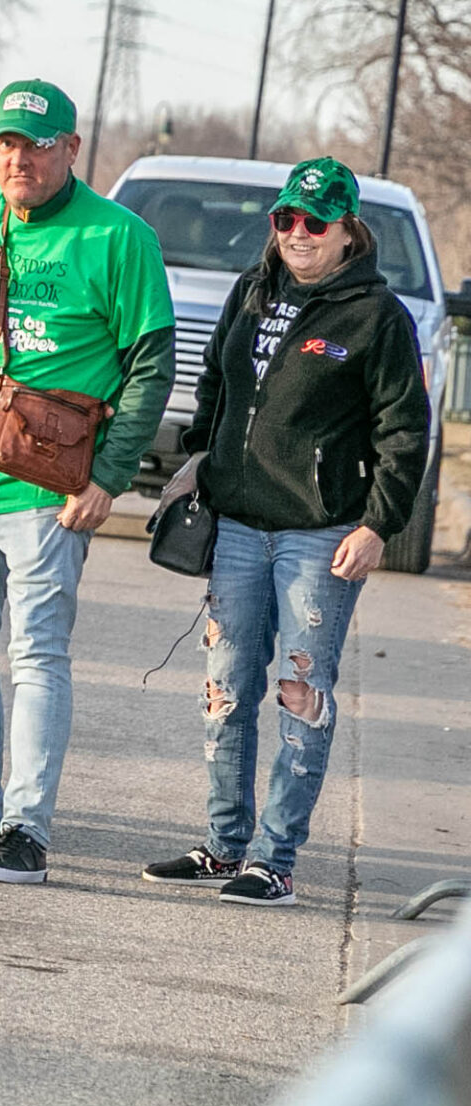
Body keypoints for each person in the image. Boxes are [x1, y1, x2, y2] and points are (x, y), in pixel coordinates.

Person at [0, 79, 174, 885]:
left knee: (37, 654)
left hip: (49, 491)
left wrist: (109, 476)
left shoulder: (119, 236)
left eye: (39, 145)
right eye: (8, 143)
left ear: (71, 149)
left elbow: (152, 365)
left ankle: (25, 828)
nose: (20, 160)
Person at [141, 157, 426, 907]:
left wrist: (379, 524)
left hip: (320, 534)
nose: (298, 233)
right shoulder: (251, 289)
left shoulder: (377, 316)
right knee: (226, 689)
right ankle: (224, 845)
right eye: (286, 218)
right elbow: (214, 382)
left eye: (314, 222)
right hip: (238, 523)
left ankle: (275, 861)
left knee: (301, 691)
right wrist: (201, 462)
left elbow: (404, 431)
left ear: (347, 231)